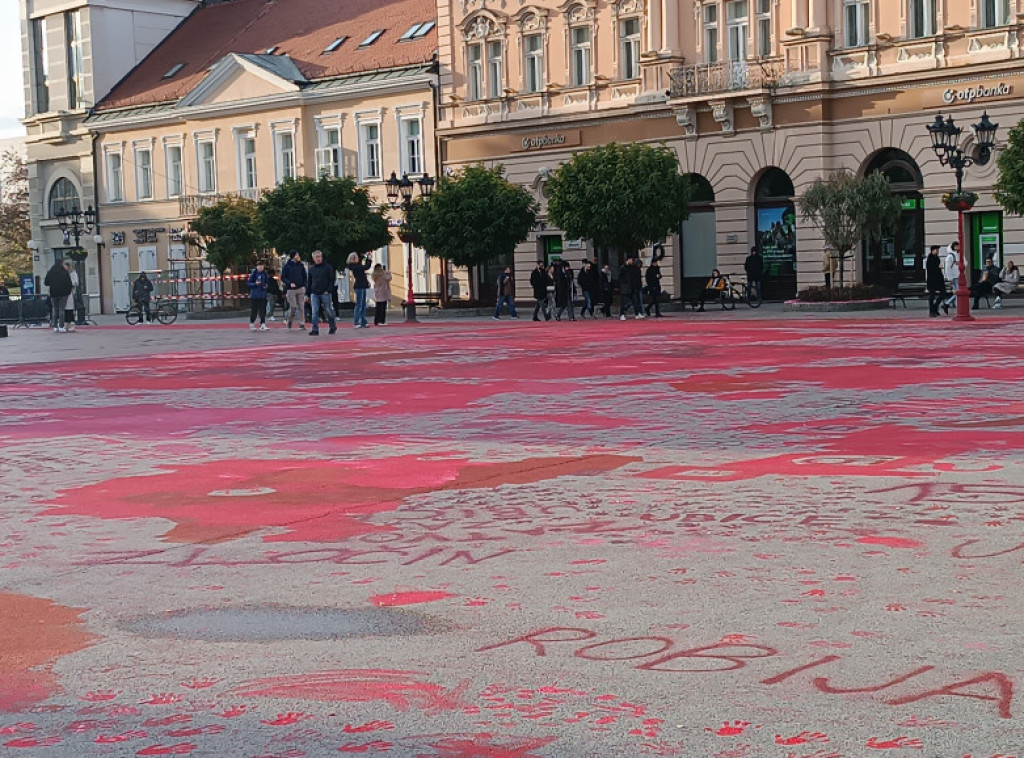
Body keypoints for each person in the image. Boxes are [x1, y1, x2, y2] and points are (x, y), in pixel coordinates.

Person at [306, 249, 337, 336]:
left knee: (328, 310)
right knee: (314, 311)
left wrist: (329, 290)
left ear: (322, 257)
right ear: (313, 259)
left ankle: (332, 326)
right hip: (314, 293)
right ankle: (315, 329)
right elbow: (309, 282)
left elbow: (332, 280)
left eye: (319, 256)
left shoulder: (328, 268)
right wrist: (307, 294)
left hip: (325, 292)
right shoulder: (311, 269)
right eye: (316, 257)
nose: (318, 258)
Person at [280, 250, 307, 330]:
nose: (298, 256)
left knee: (301, 307)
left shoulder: (301, 265)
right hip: (291, 289)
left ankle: (302, 323)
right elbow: (283, 277)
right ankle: (289, 320)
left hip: (301, 288)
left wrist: (305, 285)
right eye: (296, 255)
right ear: (293, 256)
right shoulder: (287, 266)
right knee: (293, 307)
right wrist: (289, 283)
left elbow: (304, 276)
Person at [44, 260, 73, 333]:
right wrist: (68, 292)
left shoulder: (50, 272)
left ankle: (55, 326)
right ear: (61, 264)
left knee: (55, 309)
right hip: (63, 294)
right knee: (61, 310)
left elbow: (46, 283)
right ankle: (61, 326)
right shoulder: (64, 272)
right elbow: (69, 283)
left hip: (53, 293)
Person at [347, 252, 372, 328]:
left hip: (362, 285)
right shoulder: (355, 266)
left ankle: (363, 321)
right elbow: (366, 267)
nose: (358, 258)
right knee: (359, 304)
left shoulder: (356, 266)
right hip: (359, 286)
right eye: (357, 257)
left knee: (363, 304)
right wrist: (369, 259)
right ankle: (356, 322)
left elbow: (363, 272)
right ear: (354, 258)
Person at [247, 261, 270, 331]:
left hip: (263, 295)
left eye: (262, 266)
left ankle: (262, 324)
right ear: (256, 267)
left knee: (263, 310)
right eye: (259, 266)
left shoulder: (264, 274)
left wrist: (266, 286)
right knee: (254, 310)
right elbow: (248, 283)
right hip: (255, 295)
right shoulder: (254, 274)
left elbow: (267, 282)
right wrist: (255, 284)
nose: (260, 267)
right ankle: (252, 323)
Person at [925, 245, 945, 318]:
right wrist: (938, 267)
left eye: (938, 250)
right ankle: (932, 311)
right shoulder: (930, 259)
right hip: (932, 280)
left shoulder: (937, 258)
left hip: (939, 279)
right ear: (932, 250)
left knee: (943, 293)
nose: (937, 251)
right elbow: (931, 270)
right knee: (932, 296)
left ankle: (935, 307)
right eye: (936, 250)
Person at [941, 241, 959, 314]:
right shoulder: (950, 256)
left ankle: (948, 303)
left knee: (957, 292)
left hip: (957, 275)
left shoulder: (956, 255)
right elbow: (947, 268)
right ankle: (947, 303)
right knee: (959, 292)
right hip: (955, 277)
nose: (958, 248)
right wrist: (949, 278)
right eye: (957, 246)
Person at [63, 261, 79, 332]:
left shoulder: (73, 273)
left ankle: (72, 324)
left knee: (70, 309)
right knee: (65, 309)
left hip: (70, 293)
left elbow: (75, 282)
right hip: (63, 294)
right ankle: (66, 323)